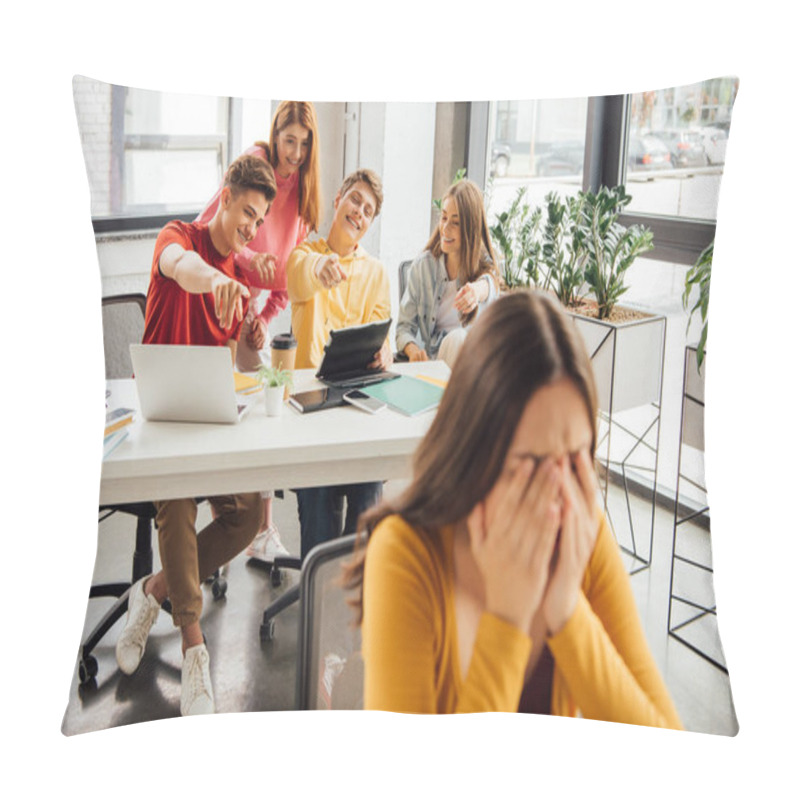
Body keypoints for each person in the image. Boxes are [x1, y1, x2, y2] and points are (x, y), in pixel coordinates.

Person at [344, 290, 683, 728]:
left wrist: (566, 610)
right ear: (474, 447)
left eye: (576, 457)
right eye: (532, 464)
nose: (558, 491)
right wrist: (507, 619)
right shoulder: (407, 554)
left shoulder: (583, 528)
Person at [115, 154, 277, 716]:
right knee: (177, 503)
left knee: (249, 515)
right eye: (247, 214)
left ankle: (155, 590)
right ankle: (195, 649)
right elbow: (184, 268)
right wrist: (217, 281)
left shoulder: (237, 285)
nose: (250, 229)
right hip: (158, 419)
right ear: (226, 195)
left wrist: (252, 338)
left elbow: (239, 369)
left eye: (259, 223)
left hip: (204, 418)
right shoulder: (176, 237)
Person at [196, 101, 323, 563]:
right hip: (217, 296)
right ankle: (225, 526)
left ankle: (261, 530)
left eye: (305, 144)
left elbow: (286, 285)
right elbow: (213, 230)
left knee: (267, 406)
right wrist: (250, 264)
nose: (295, 152)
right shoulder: (256, 164)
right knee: (216, 408)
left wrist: (264, 320)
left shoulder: (305, 197)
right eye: (289, 140)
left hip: (251, 313)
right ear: (275, 135)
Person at [286, 168, 391, 557]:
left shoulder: (377, 273)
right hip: (309, 409)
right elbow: (299, 278)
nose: (359, 213)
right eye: (355, 201)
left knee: (369, 501)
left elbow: (383, 336)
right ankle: (318, 602)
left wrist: (385, 353)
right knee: (318, 508)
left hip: (357, 408)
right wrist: (321, 268)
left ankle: (356, 600)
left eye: (367, 210)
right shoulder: (303, 255)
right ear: (338, 200)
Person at [396, 179, 499, 368]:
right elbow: (404, 328)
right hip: (436, 364)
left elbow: (490, 285)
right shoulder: (424, 266)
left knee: (460, 339)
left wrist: (475, 292)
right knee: (456, 340)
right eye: (444, 218)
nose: (446, 228)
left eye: (456, 222)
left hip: (472, 368)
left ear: (471, 228)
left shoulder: (483, 271)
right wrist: (413, 351)